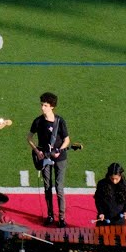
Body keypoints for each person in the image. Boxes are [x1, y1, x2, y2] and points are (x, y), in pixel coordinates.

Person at [28, 91, 71, 227]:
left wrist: (60, 150)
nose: (42, 107)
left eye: (45, 105)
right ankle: (50, 215)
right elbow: (29, 137)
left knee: (59, 188)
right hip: (44, 157)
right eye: (42, 105)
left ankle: (62, 218)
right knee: (47, 187)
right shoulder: (38, 121)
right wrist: (37, 151)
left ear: (52, 106)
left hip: (60, 158)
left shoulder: (60, 121)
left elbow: (67, 140)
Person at [94, 163, 126, 227]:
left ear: (121, 176)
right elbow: (98, 200)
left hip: (119, 220)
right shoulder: (101, 184)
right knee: (101, 236)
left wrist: (125, 211)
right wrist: (100, 212)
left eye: (116, 179)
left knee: (120, 236)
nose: (114, 181)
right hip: (104, 218)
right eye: (112, 178)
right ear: (108, 175)